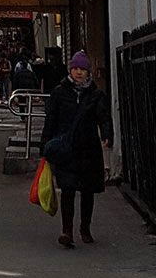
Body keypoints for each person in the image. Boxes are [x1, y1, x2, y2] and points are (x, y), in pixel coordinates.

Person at [41, 50, 113, 248]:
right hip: (67, 149)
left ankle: (85, 228)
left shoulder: (96, 94)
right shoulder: (59, 92)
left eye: (83, 69)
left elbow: (103, 116)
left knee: (88, 191)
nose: (79, 73)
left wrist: (107, 134)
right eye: (76, 69)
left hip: (89, 148)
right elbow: (51, 120)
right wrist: (45, 144)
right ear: (70, 70)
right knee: (68, 189)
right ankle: (67, 231)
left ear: (88, 72)